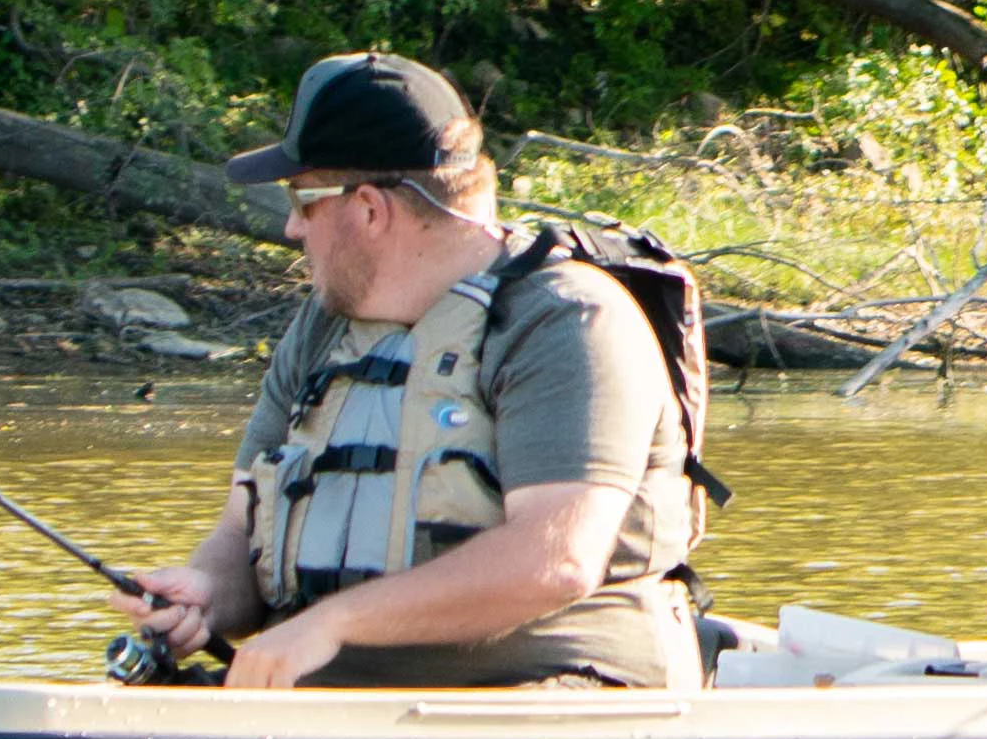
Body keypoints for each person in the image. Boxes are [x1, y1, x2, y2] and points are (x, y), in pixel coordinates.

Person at [112, 52, 713, 690]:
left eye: (301, 198)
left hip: (554, 696)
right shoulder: (322, 328)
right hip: (337, 708)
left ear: (370, 209)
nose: (291, 227)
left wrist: (334, 622)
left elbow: (556, 558)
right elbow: (242, 526)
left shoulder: (566, 321)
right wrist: (206, 593)